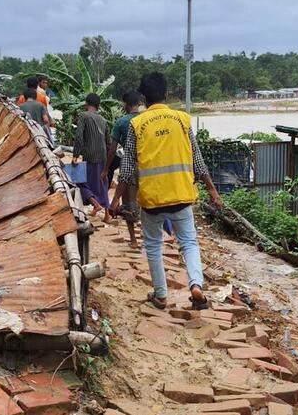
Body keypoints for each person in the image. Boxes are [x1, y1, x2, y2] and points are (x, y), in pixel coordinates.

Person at [109, 72, 223, 311]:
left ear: (143, 97)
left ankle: (161, 295)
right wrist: (212, 190)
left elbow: (128, 169)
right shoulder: (182, 119)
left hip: (152, 200)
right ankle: (196, 285)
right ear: (167, 93)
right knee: (189, 243)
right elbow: (197, 160)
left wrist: (115, 200)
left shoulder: (136, 124)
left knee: (153, 246)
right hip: (181, 195)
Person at [101, 91, 143, 247]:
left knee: (129, 202)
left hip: (130, 164)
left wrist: (106, 169)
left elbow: (112, 149)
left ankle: (133, 239)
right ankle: (150, 236)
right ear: (139, 103)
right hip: (148, 164)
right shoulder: (146, 119)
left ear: (125, 104)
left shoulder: (121, 122)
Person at [73, 93, 110, 220]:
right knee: (102, 182)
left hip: (90, 155)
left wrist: (75, 154)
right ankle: (107, 214)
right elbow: (108, 141)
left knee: (80, 181)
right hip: (103, 155)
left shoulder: (83, 116)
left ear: (86, 104)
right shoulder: (103, 120)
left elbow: (79, 137)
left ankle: (95, 204)